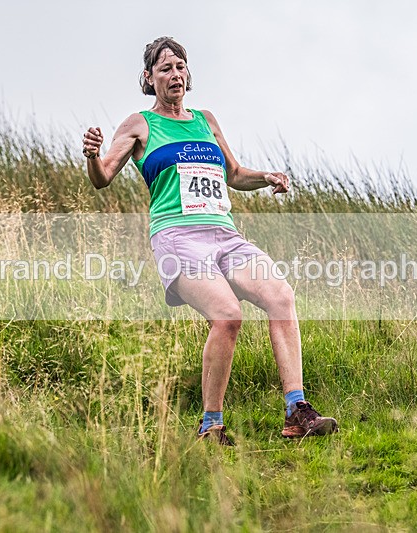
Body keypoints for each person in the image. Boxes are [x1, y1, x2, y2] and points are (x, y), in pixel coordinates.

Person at [82, 36, 337, 445]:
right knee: (227, 314)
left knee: (280, 296)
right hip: (178, 238)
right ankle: (210, 425)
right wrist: (93, 155)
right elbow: (103, 176)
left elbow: (234, 174)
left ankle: (297, 411)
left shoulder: (206, 119)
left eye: (181, 66)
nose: (175, 74)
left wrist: (267, 177)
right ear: (149, 79)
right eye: (165, 69)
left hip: (224, 235)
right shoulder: (139, 124)